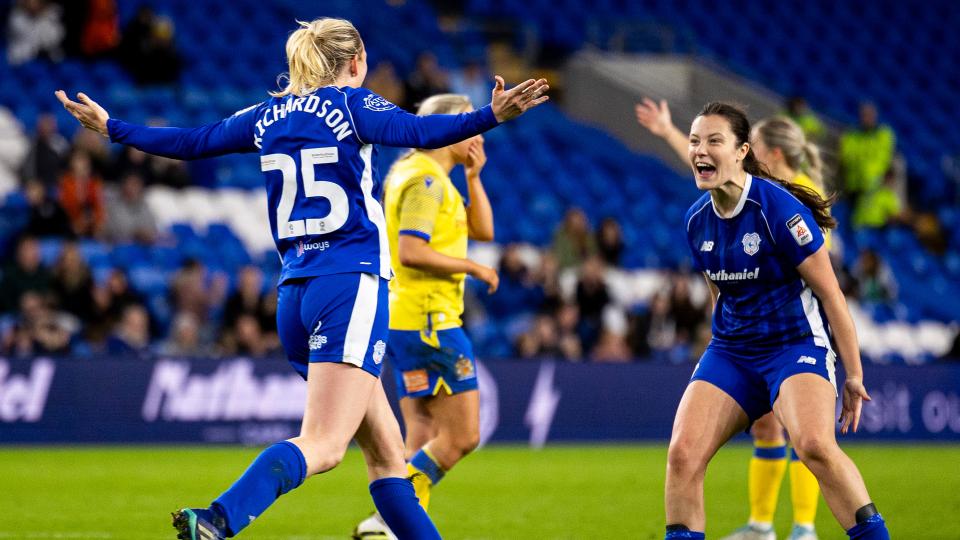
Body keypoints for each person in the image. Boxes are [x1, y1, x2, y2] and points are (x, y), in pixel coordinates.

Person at [57, 17, 547, 540]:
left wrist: (113, 128)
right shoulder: (353, 106)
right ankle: (219, 519)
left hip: (295, 295)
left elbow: (191, 141)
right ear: (355, 62)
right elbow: (420, 131)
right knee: (324, 445)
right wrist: (492, 114)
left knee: (386, 457)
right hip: (350, 285)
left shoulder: (267, 116)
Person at [662, 102, 889, 540]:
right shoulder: (696, 222)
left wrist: (854, 374)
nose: (699, 150)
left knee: (814, 446)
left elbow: (832, 296)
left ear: (742, 150)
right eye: (694, 141)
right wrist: (716, 363)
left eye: (713, 141)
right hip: (732, 350)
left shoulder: (779, 210)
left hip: (794, 345)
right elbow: (719, 295)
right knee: (682, 455)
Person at [637, 102, 833, 540]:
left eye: (754, 147)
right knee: (767, 428)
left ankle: (803, 525)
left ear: (765, 154)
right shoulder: (740, 190)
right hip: (750, 329)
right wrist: (673, 133)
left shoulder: (784, 196)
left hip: (797, 322)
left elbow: (817, 270)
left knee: (807, 434)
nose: (745, 156)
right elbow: (707, 165)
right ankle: (763, 524)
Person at [353, 93, 499, 539]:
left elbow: (484, 230)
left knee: (420, 435)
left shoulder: (420, 174)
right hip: (430, 320)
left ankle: (397, 529)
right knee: (462, 437)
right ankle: (385, 518)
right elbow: (411, 251)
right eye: (465, 121)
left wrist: (474, 177)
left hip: (404, 321)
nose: (473, 130)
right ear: (444, 128)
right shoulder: (427, 182)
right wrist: (472, 267)